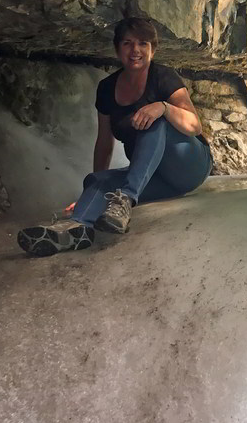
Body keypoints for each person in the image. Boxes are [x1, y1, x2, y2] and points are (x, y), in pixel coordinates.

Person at [17, 17, 213, 257]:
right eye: (128, 43)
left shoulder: (163, 76)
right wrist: (93, 193)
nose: (135, 51)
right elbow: (104, 143)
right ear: (117, 48)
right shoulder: (107, 88)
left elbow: (195, 126)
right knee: (98, 182)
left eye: (143, 43)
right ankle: (73, 229)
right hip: (154, 176)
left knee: (156, 119)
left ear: (153, 49)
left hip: (189, 165)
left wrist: (163, 107)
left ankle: (125, 200)